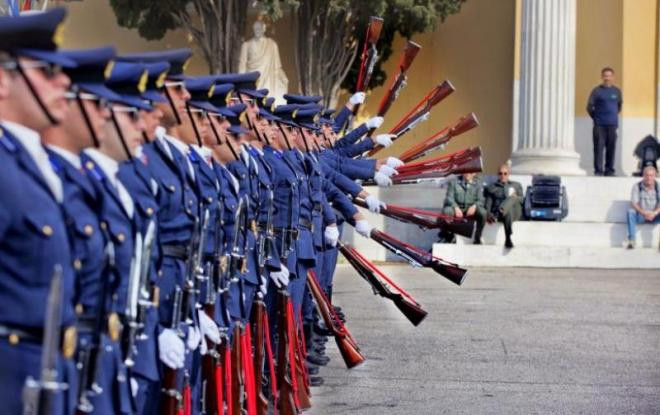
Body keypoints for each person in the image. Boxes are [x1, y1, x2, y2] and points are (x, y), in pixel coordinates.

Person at [587, 67, 622, 176]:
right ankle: (598, 171)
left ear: (613, 77)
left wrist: (612, 117)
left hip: (612, 125)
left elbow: (619, 106)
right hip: (599, 126)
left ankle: (609, 170)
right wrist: (596, 118)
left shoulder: (617, 91)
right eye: (605, 76)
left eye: (609, 76)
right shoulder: (596, 91)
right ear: (602, 77)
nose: (607, 78)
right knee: (598, 148)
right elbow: (589, 107)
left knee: (611, 148)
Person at [484, 163, 523, 248]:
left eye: (505, 173)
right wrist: (489, 215)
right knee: (507, 212)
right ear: (497, 174)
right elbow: (488, 205)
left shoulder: (516, 185)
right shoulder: (492, 188)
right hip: (505, 215)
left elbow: (522, 200)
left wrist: (515, 198)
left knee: (512, 198)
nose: (503, 175)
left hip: (515, 212)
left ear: (509, 174)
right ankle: (508, 238)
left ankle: (500, 212)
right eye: (500, 173)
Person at [441, 173, 486, 244]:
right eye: (466, 171)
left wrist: (474, 206)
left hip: (471, 209)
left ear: (474, 174)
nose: (468, 174)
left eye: (470, 172)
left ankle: (478, 237)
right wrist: (455, 207)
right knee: (447, 211)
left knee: (483, 212)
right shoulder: (454, 182)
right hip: (458, 208)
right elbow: (449, 197)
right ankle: (450, 236)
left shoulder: (478, 184)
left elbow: (481, 200)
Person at [626, 165, 660, 249]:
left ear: (655, 176)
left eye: (651, 175)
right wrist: (644, 212)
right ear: (643, 176)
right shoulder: (637, 186)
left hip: (655, 215)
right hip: (641, 215)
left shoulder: (658, 187)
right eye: (647, 175)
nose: (649, 178)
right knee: (630, 212)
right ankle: (632, 241)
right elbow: (634, 203)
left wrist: (655, 212)